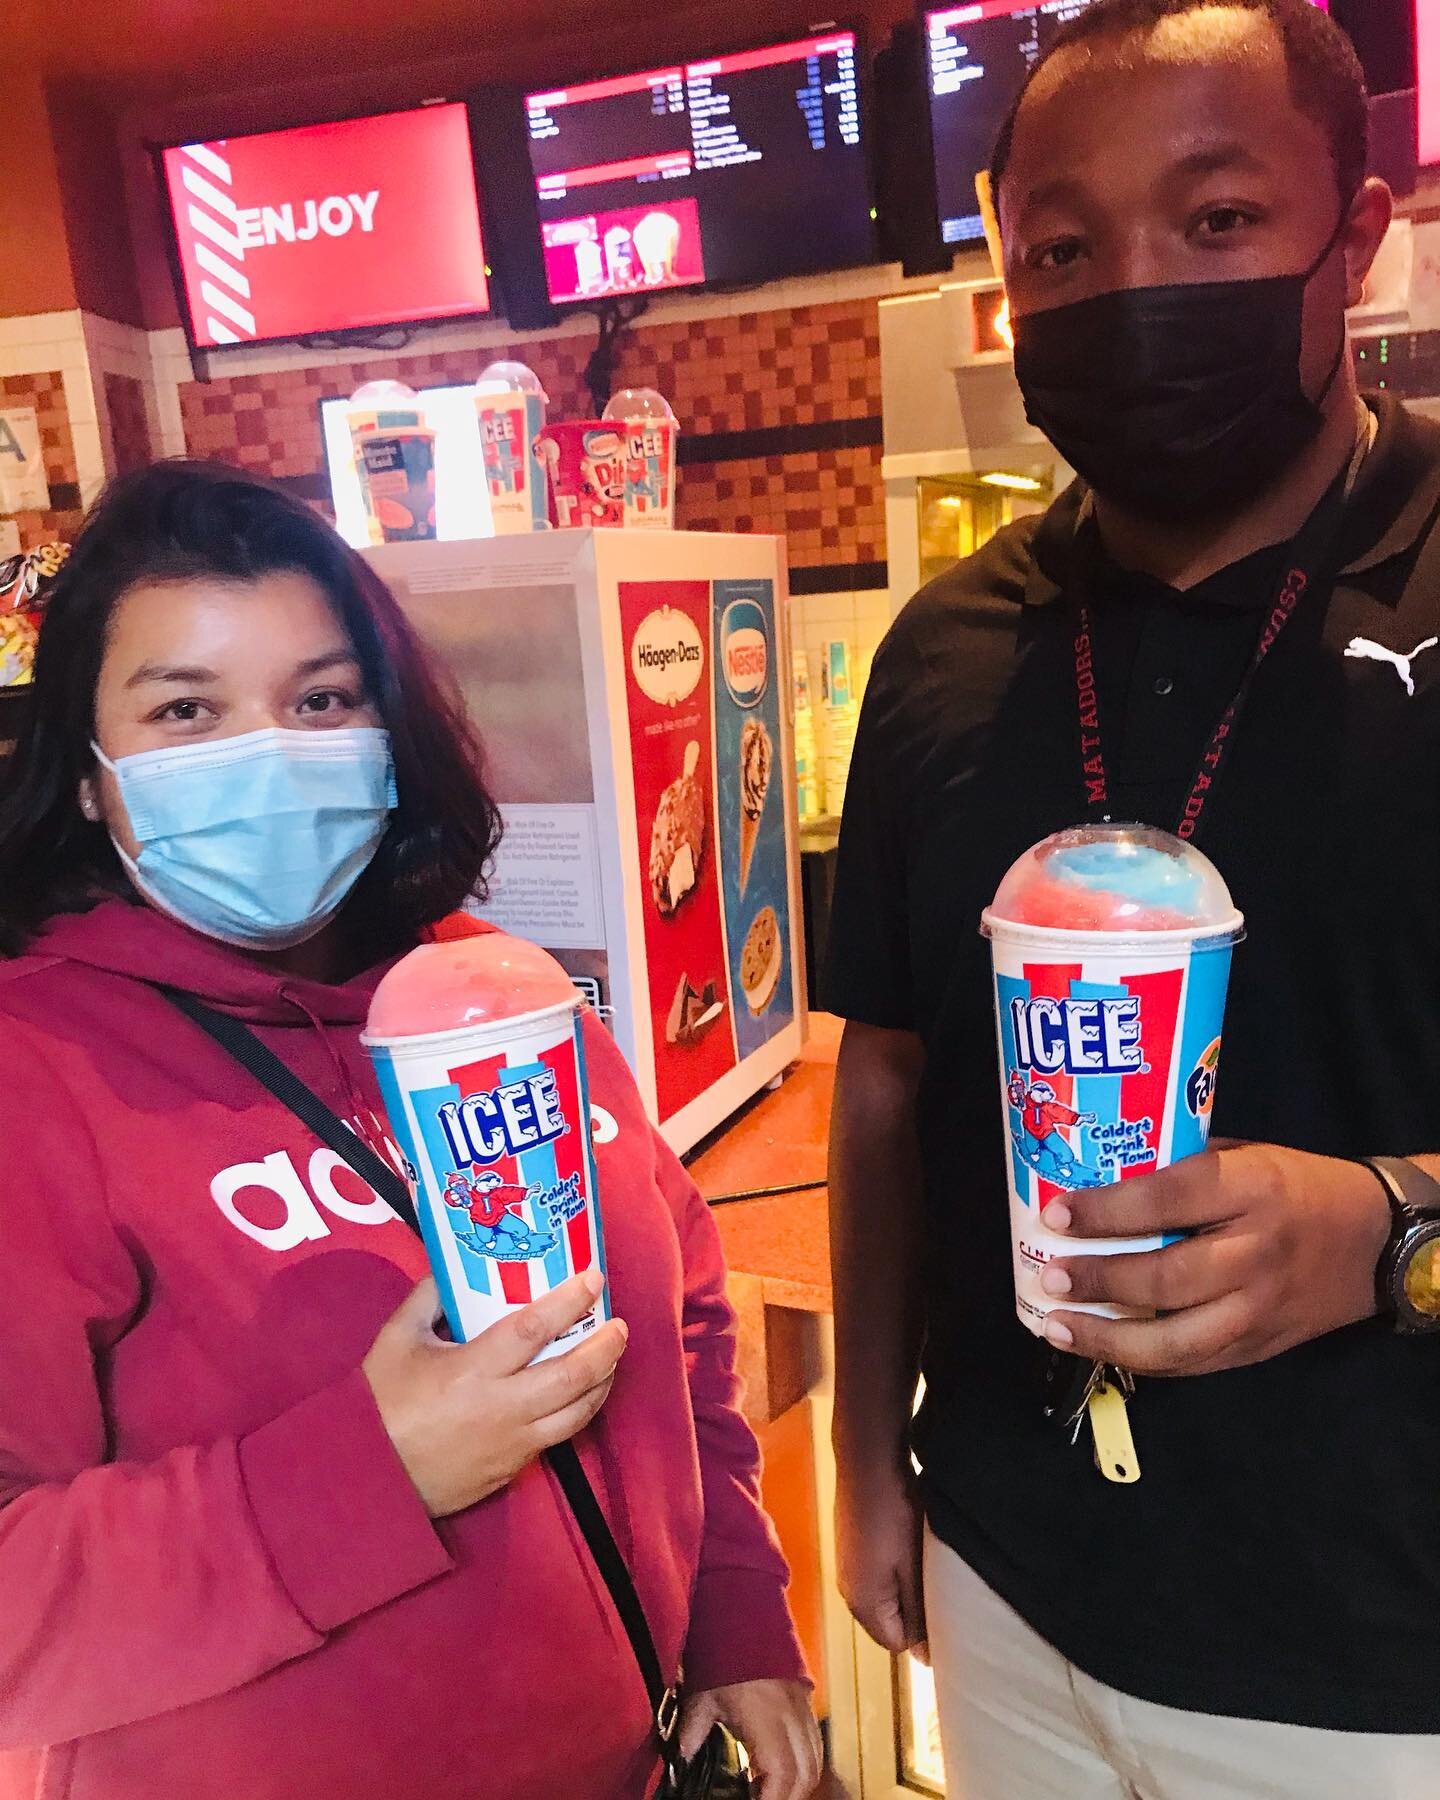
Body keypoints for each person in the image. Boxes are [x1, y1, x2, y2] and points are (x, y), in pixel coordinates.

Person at [825, 1, 1440, 1794]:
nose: (1136, 287)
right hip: (1020, 1597)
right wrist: (872, 1461)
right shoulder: (944, 649)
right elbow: (886, 1080)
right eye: (1063, 252)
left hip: (1381, 1661)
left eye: (1219, 221)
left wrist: (1394, 1234)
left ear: (1364, 228)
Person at [0, 460, 821, 1800]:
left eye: (319, 699)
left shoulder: (492, 989)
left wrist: (734, 1607)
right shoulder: (31, 1069)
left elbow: (677, 1304)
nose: (264, 752)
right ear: (89, 778)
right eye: (186, 711)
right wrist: (374, 1470)